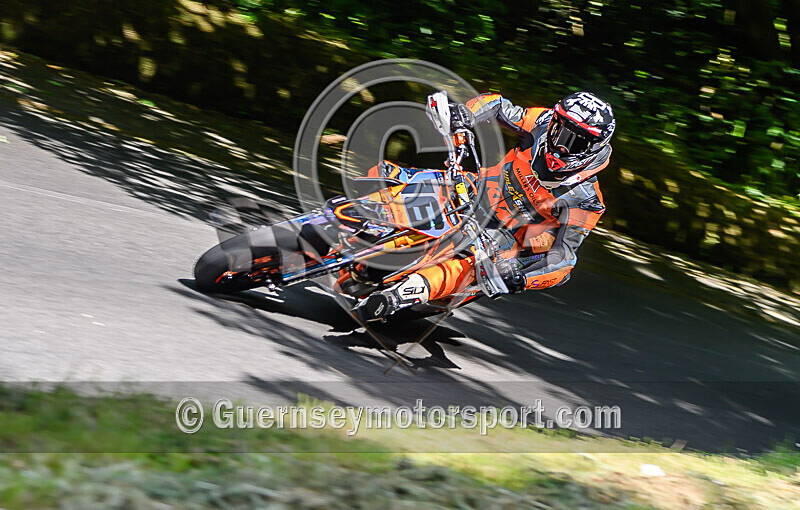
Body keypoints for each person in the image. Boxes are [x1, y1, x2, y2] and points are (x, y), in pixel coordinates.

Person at [354, 91, 616, 321]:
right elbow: (498, 105)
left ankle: (400, 295)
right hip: (475, 189)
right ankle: (352, 217)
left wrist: (522, 278)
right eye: (561, 130)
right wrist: (466, 115)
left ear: (594, 147)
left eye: (576, 141)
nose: (561, 144)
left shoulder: (587, 200)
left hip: (504, 235)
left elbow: (565, 259)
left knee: (474, 260)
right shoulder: (541, 121)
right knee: (393, 175)